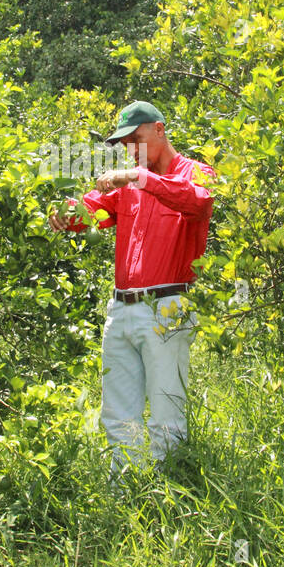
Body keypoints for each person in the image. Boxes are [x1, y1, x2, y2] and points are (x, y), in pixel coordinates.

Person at [48, 101, 216, 476]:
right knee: (117, 415)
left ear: (159, 130)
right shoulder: (130, 183)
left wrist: (136, 178)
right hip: (120, 309)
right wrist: (66, 212)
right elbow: (92, 212)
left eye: (136, 140)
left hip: (167, 305)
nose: (131, 151)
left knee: (166, 413)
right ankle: (123, 496)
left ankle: (167, 498)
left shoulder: (196, 173)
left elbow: (196, 202)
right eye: (125, 146)